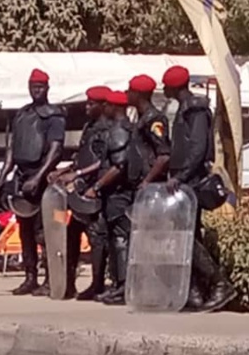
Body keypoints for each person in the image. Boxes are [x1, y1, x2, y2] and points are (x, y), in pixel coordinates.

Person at [162, 65, 236, 312]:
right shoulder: (185, 110)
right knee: (187, 236)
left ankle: (219, 284)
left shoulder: (196, 111)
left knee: (187, 238)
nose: (164, 89)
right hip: (183, 182)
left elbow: (197, 148)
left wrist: (181, 176)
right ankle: (193, 291)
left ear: (175, 87)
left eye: (167, 85)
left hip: (191, 181)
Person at [0, 68, 66, 296]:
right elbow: (12, 149)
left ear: (47, 88)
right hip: (22, 178)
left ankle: (49, 278)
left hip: (42, 178)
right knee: (24, 230)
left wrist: (38, 177)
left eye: (41, 87)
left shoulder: (54, 116)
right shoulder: (22, 115)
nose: (37, 90)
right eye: (33, 86)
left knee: (44, 232)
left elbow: (55, 150)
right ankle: (30, 276)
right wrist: (2, 176)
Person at [49, 85, 110, 301]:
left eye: (92, 103)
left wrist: (76, 175)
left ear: (103, 106)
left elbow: (102, 161)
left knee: (96, 239)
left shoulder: (106, 129)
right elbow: (81, 156)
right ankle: (68, 283)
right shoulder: (90, 127)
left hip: (96, 191)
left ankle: (97, 284)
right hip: (81, 192)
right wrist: (64, 171)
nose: (87, 107)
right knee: (71, 234)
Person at [86, 90, 133, 306]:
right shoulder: (119, 129)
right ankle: (116, 285)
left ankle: (122, 286)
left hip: (119, 193)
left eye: (107, 106)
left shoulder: (120, 130)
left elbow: (119, 165)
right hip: (114, 193)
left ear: (113, 107)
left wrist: (97, 186)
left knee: (121, 239)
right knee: (115, 240)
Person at [126, 74, 171, 192]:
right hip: (139, 181)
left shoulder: (154, 119)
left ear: (138, 94)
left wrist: (147, 180)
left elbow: (164, 155)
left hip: (151, 186)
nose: (127, 94)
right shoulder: (141, 117)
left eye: (130, 90)